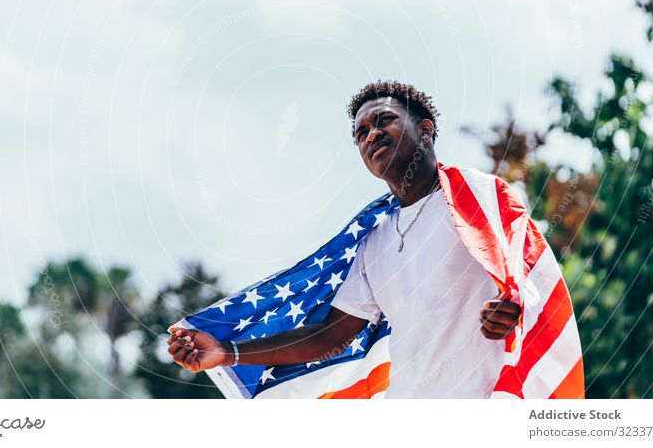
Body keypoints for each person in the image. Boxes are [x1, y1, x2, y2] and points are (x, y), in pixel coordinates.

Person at [167, 81, 523, 398]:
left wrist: (517, 311)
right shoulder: (374, 243)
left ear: (425, 130)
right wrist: (227, 351)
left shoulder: (479, 196)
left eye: (384, 120)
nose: (370, 135)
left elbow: (532, 278)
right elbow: (329, 337)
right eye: (361, 132)